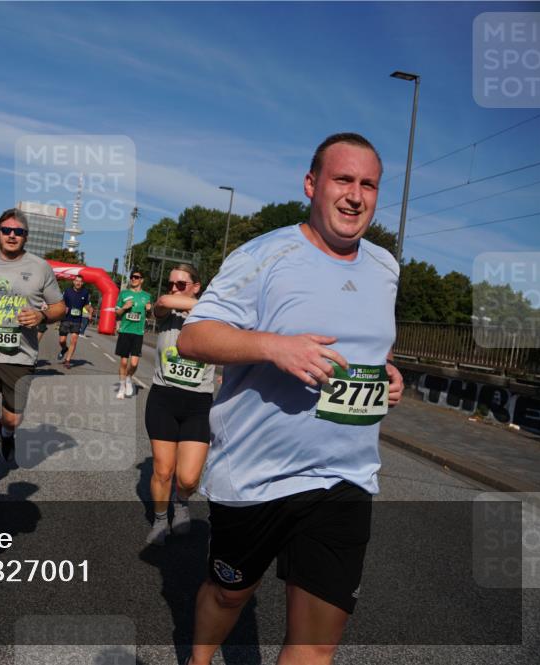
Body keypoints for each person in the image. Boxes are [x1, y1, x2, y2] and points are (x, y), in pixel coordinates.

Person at [177, 133, 405, 665]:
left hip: (345, 478)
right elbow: (194, 337)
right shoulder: (265, 254)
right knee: (230, 593)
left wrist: (388, 375)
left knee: (317, 644)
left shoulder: (385, 267)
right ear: (312, 185)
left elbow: (371, 347)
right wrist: (272, 347)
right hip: (257, 475)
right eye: (342, 180)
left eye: (368, 184)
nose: (355, 195)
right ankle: (199, 659)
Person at [0, 208, 65, 500]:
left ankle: (7, 435)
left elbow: (59, 307)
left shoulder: (40, 267)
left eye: (18, 232)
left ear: (26, 237)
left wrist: (41, 316)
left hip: (21, 356)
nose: (11, 235)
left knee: (12, 419)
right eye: (6, 230)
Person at [144, 264, 214, 546]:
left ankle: (181, 500)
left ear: (197, 286)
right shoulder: (167, 313)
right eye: (171, 283)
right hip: (164, 397)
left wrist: (208, 308)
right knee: (163, 469)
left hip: (199, 402)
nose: (173, 288)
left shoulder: (213, 315)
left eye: (181, 284)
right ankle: (161, 519)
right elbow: (162, 303)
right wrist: (201, 303)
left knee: (187, 478)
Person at [114, 269, 152, 399]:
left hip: (138, 332)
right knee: (124, 363)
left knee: (134, 363)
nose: (133, 279)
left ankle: (129, 378)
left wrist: (149, 310)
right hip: (125, 330)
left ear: (142, 280)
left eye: (136, 277)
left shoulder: (147, 296)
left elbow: (150, 315)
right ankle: (121, 386)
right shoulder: (124, 294)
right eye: (132, 277)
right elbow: (116, 313)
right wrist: (124, 307)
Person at [57, 275, 90, 369]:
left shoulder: (85, 292)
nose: (78, 283)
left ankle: (67, 360)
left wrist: (90, 310)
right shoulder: (67, 291)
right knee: (62, 340)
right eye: (76, 281)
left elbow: (86, 305)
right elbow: (62, 303)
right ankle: (64, 348)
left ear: (82, 283)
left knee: (74, 340)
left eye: (80, 281)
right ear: (73, 282)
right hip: (66, 318)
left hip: (77, 320)